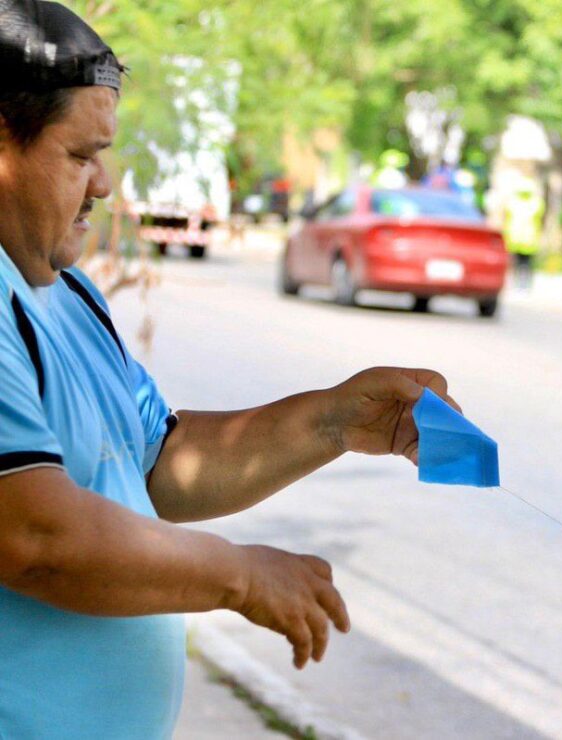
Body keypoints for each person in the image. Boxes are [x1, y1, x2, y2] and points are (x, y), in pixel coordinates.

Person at [0, 4, 456, 738]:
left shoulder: (65, 291)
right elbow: (33, 535)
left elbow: (156, 465)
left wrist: (334, 419)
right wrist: (238, 575)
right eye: (80, 156)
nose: (105, 184)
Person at [502, 180, 545, 290]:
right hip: (528, 239)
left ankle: (517, 284)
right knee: (525, 265)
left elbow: (505, 216)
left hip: (515, 238)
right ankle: (524, 285)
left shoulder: (512, 201)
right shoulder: (536, 202)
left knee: (517, 264)